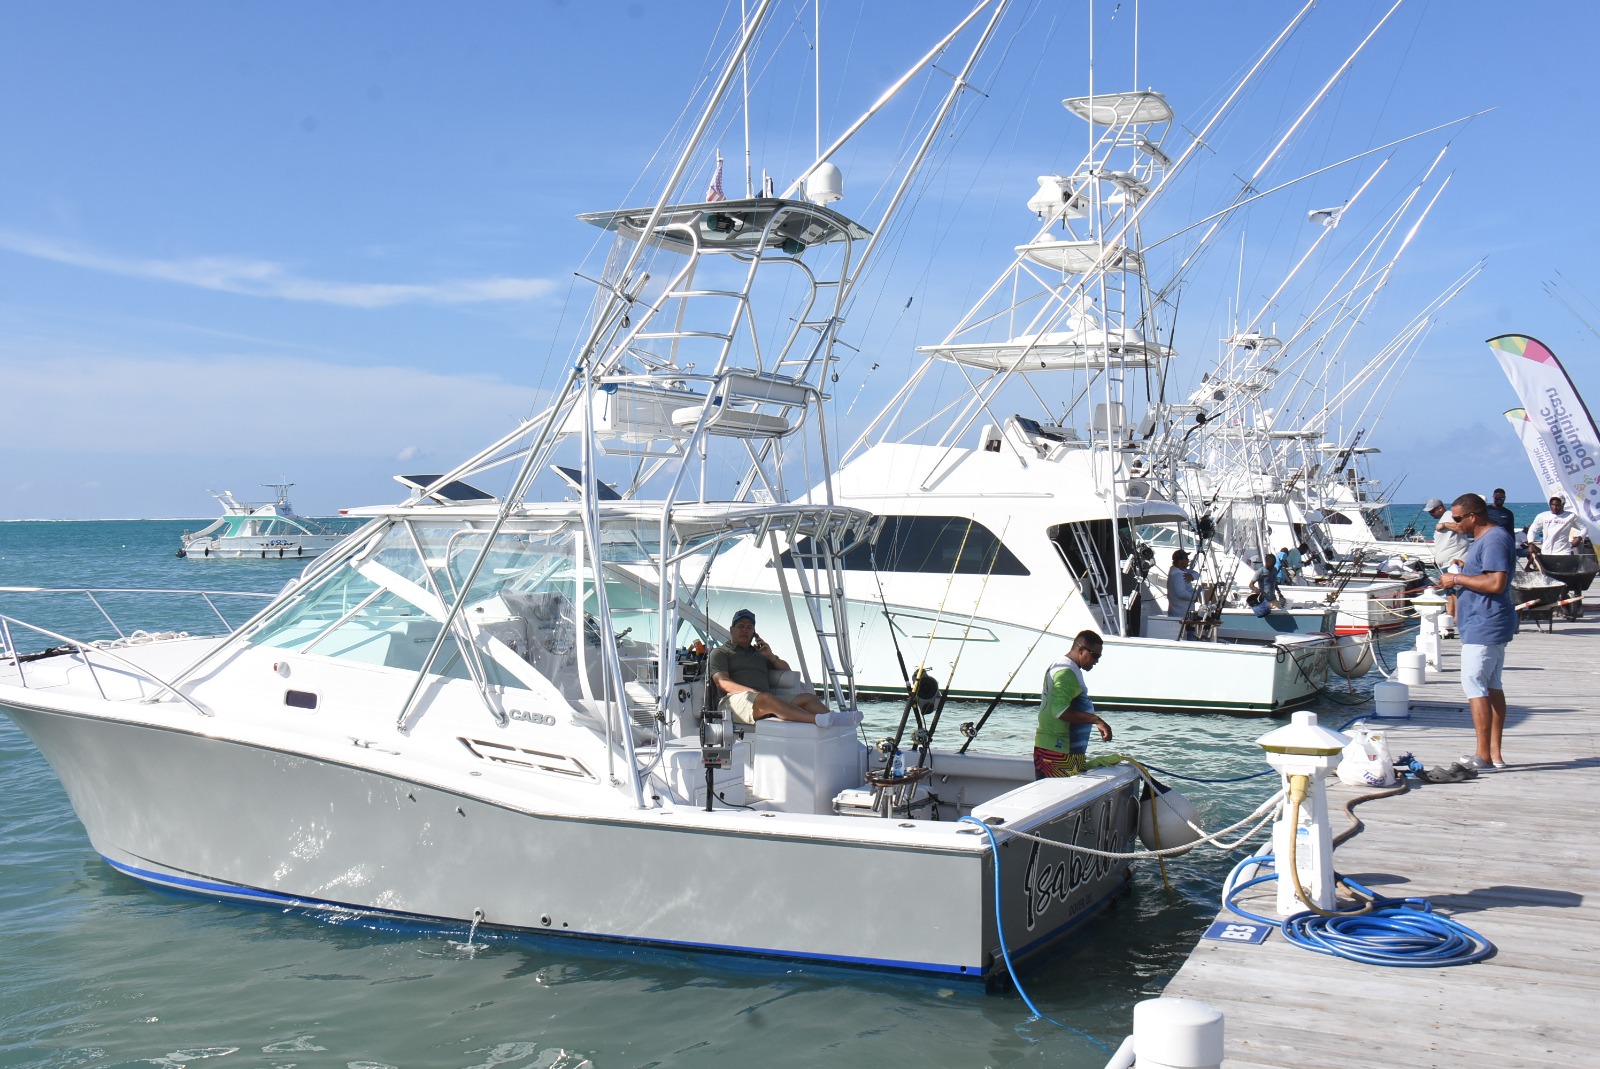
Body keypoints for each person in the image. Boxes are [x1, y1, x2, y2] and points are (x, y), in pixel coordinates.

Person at [1436, 493, 1516, 771]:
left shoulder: (1493, 538)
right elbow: (1484, 573)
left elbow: (1495, 582)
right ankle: (1494, 755)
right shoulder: (1486, 540)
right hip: (1484, 622)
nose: (1455, 524)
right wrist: (1464, 569)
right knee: (1492, 685)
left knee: (1474, 684)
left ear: (1473, 516)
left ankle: (1482, 756)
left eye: (1457, 518)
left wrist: (1456, 578)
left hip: (1486, 623)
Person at [707, 608, 859, 727]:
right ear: (731, 630)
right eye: (740, 626)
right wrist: (750, 692)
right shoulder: (720, 652)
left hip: (764, 699)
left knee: (809, 698)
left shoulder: (759, 654)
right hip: (732, 702)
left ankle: (837, 722)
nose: (745, 630)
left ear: (754, 633)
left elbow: (786, 670)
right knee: (767, 698)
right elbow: (722, 682)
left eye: (749, 627)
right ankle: (818, 719)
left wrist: (771, 657)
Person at [1034, 630, 1111, 778]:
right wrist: (1097, 720)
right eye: (1095, 655)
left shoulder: (1060, 665)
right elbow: (1060, 711)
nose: (1097, 661)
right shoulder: (1066, 673)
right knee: (1058, 796)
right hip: (1059, 751)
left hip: (1054, 748)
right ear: (1081, 649)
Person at [1527, 495, 1583, 560]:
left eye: (1557, 505)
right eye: (1552, 505)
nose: (1554, 507)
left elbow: (1584, 529)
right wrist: (1530, 543)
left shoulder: (1571, 516)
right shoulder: (1543, 516)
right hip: (1546, 552)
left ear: (1563, 504)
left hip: (1564, 552)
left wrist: (1579, 538)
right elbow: (1532, 529)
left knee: (1563, 569)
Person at [1166, 549, 1200, 631]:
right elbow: (1181, 593)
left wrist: (1192, 576)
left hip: (1183, 613)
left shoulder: (1183, 572)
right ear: (1180, 560)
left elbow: (1197, 574)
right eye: (1186, 558)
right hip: (1181, 614)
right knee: (1186, 633)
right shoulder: (1178, 575)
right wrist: (1195, 597)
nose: (1188, 560)